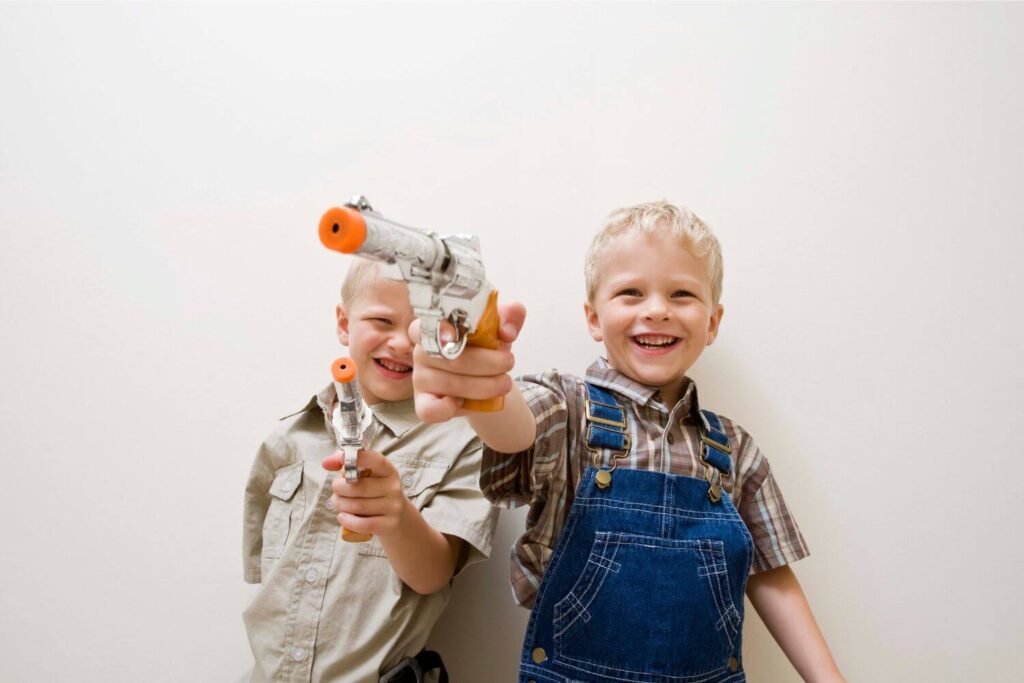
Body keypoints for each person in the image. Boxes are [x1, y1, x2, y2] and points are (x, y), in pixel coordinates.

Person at [411, 201, 845, 682]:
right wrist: (484, 387)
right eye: (631, 292)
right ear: (594, 317)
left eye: (681, 294)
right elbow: (516, 428)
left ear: (713, 322)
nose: (656, 310)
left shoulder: (736, 452)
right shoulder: (568, 408)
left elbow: (770, 573)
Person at [242, 260, 497, 682]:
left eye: (422, 330)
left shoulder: (463, 441)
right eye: (382, 320)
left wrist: (395, 513)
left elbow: (433, 574)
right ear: (344, 323)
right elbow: (266, 583)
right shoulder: (288, 438)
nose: (401, 343)